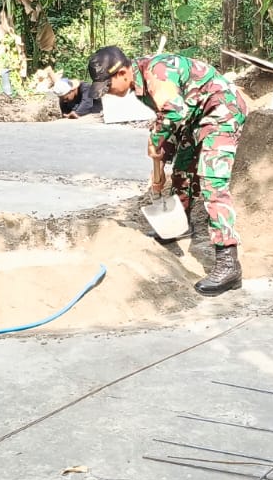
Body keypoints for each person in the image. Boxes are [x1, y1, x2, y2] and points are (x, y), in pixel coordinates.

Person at [87, 46, 248, 296]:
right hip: (195, 115)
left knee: (211, 181)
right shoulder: (138, 82)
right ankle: (177, 226)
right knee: (182, 167)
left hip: (222, 111)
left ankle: (229, 264)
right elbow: (170, 116)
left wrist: (155, 141)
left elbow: (174, 111)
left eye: (108, 86)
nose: (107, 92)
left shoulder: (157, 72)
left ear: (122, 73)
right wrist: (162, 153)